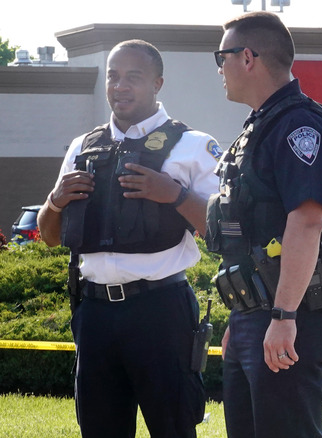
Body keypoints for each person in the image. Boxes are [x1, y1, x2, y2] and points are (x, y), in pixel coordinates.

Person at [37, 39, 221, 438]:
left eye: (132, 77)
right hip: (95, 313)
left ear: (157, 83)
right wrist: (54, 202)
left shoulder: (192, 145)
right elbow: (49, 237)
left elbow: (221, 230)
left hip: (161, 311)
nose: (120, 86)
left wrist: (173, 194)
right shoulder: (82, 147)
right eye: (113, 76)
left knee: (173, 428)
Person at [206, 12, 322, 438]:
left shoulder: (299, 125)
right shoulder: (260, 126)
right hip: (257, 314)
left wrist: (283, 315)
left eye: (222, 57)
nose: (219, 69)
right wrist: (244, 315)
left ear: (247, 57)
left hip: (290, 315)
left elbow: (306, 223)